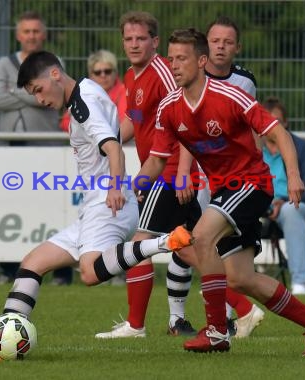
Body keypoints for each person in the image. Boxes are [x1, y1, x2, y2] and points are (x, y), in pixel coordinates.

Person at [0, 50, 194, 361]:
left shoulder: (83, 106)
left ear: (55, 74)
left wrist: (114, 188)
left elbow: (113, 148)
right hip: (95, 204)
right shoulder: (87, 90)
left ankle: (163, 242)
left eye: (38, 90)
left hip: (106, 204)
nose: (40, 100)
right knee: (33, 262)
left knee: (90, 273)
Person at [135, 28, 305, 355]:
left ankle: (216, 331)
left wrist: (294, 174)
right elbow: (157, 161)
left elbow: (278, 132)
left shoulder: (230, 96)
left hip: (252, 183)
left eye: (181, 58)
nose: (173, 65)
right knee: (242, 279)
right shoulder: (169, 108)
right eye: (171, 58)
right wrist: (135, 185)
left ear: (201, 61)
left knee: (199, 239)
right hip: (223, 192)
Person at [95, 10, 201, 339]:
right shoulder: (131, 75)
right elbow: (136, 121)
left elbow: (187, 120)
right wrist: (106, 142)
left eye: (141, 38)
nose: (134, 44)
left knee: (140, 243)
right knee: (188, 248)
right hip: (158, 170)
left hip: (168, 172)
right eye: (128, 39)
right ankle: (243, 306)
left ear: (155, 42)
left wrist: (182, 171)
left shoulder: (163, 73)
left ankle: (136, 325)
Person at [0, 11, 63, 285]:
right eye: (26, 31)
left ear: (43, 34)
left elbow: (55, 93)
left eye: (36, 31)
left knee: (50, 207)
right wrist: (34, 92)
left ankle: (59, 271)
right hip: (10, 147)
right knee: (9, 206)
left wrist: (15, 90)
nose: (31, 36)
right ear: (18, 35)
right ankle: (8, 269)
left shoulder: (53, 63)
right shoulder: (4, 63)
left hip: (46, 144)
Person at [204, 15, 265, 339]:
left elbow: (255, 128)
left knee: (204, 244)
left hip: (233, 178)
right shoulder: (193, 77)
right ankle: (222, 316)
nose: (221, 47)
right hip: (201, 174)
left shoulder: (245, 81)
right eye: (215, 41)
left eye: (228, 42)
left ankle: (228, 317)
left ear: (237, 47)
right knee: (193, 243)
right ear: (206, 43)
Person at [261, 96, 305, 295]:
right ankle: (228, 283)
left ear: (286, 123)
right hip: (259, 205)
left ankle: (300, 283)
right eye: (267, 121)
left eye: (277, 122)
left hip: (296, 205)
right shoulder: (251, 147)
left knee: (291, 210)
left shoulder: (303, 148)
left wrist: (285, 201)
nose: (272, 127)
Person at [60, 49, 127, 132]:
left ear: (115, 73)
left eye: (107, 71)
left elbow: (122, 122)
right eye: (98, 72)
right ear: (91, 75)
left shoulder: (124, 92)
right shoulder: (83, 92)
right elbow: (65, 122)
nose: (103, 75)